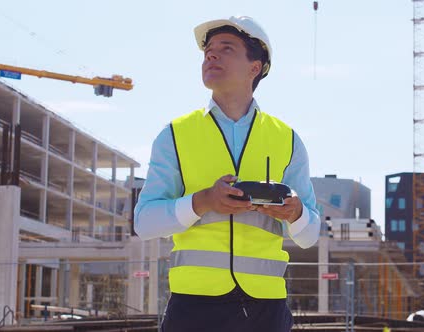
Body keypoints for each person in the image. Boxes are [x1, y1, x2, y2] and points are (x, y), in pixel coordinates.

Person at [134, 16, 320, 332]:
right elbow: (144, 223)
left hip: (266, 308)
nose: (211, 55)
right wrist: (203, 201)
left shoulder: (287, 139)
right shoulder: (175, 135)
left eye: (226, 48)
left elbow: (310, 234)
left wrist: (296, 212)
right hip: (193, 305)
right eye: (208, 49)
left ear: (255, 67)